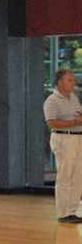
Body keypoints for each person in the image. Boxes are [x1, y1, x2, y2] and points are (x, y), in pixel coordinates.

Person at [44, 69, 82, 223]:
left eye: (73, 80)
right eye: (70, 80)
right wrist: (75, 122)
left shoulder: (73, 98)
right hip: (63, 139)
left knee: (78, 176)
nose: (74, 83)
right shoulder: (51, 101)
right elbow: (51, 123)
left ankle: (72, 210)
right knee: (65, 176)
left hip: (77, 138)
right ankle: (63, 213)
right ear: (60, 83)